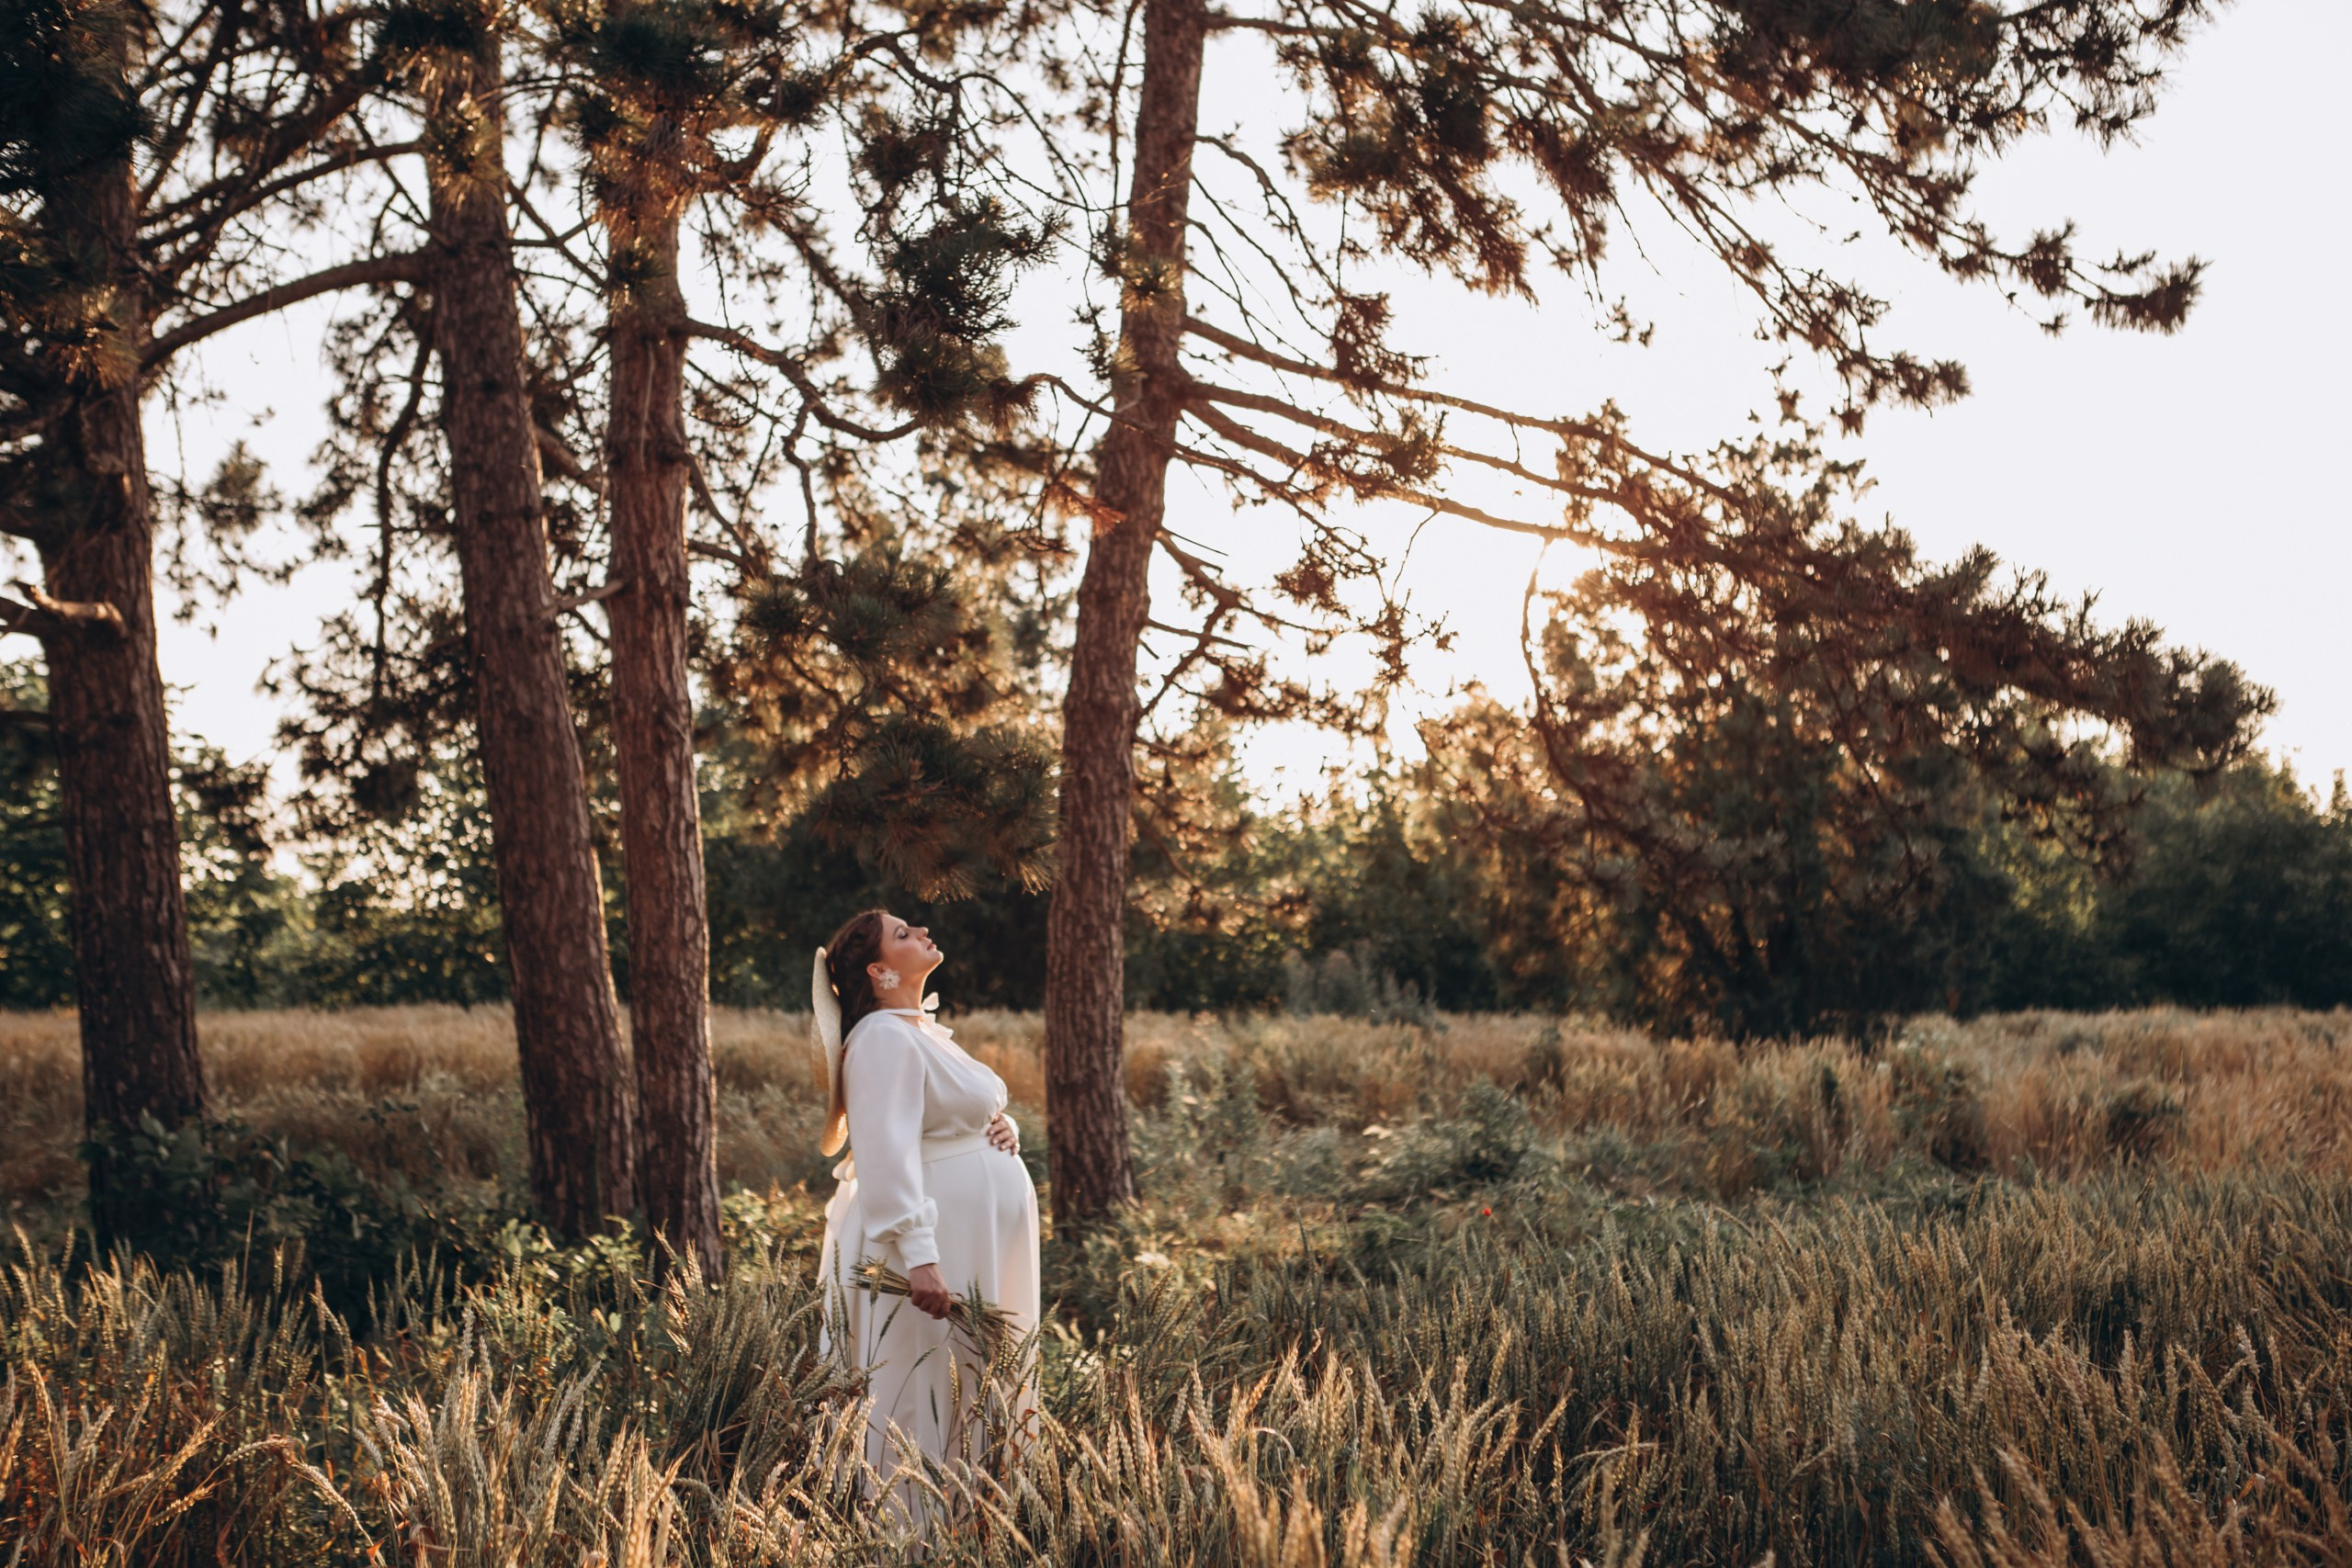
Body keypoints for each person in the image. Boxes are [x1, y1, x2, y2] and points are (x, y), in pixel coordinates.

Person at [812, 908, 1040, 1513]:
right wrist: (919, 1257)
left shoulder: (915, 1030)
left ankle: (972, 1521)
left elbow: (946, 1112)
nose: (921, 930)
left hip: (973, 1239)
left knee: (965, 1383)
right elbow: (885, 1154)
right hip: (932, 1252)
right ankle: (912, 1527)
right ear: (880, 971)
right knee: (923, 1389)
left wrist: (998, 1126)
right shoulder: (882, 1038)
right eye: (903, 932)